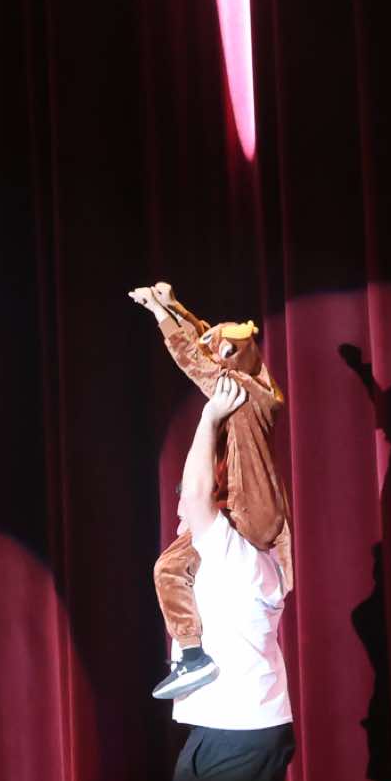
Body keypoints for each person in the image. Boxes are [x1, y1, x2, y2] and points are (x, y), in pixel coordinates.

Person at [164, 377, 343, 781]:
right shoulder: (264, 562)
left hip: (232, 731)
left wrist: (211, 417)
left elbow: (198, 497)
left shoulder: (233, 554)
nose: (180, 507)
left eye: (186, 499)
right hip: (263, 727)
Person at [129, 280, 293, 700]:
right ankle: (191, 655)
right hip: (256, 512)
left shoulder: (239, 393)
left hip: (245, 513)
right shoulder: (258, 390)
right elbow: (207, 342)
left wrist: (162, 316)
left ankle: (192, 655)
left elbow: (197, 362)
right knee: (181, 562)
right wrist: (174, 306)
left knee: (168, 569)